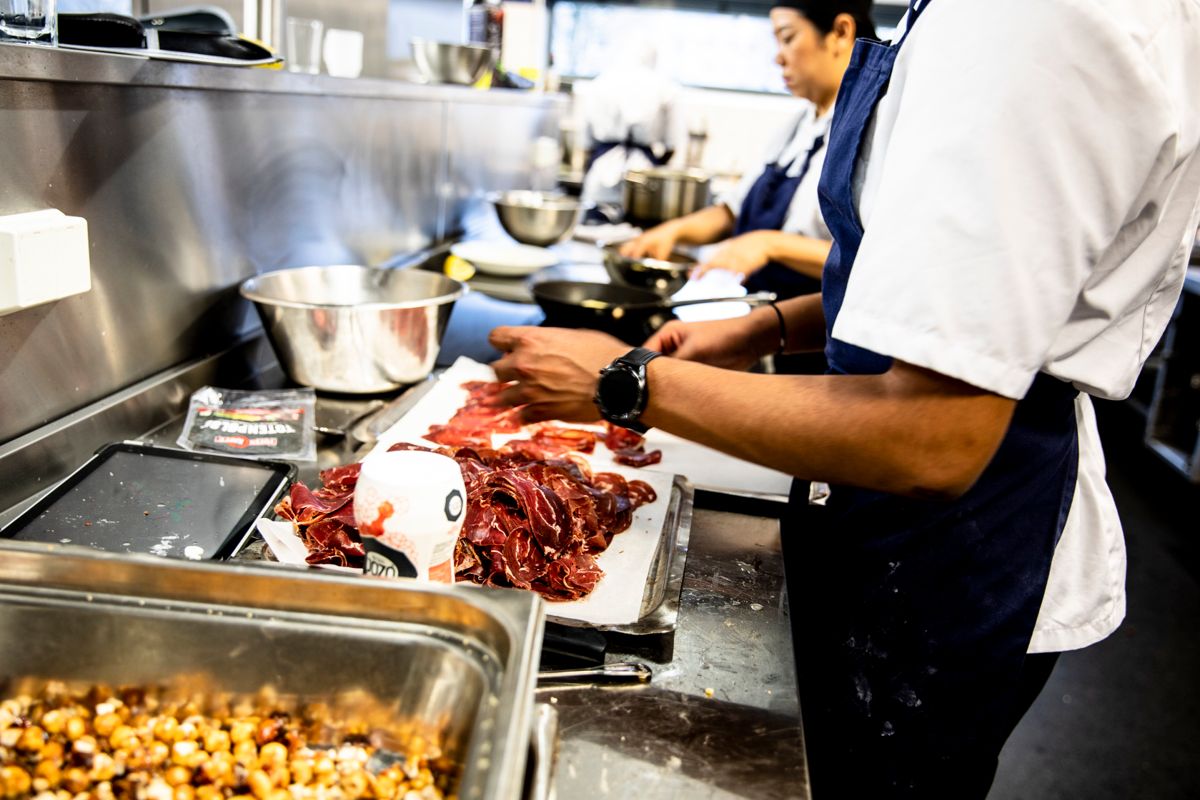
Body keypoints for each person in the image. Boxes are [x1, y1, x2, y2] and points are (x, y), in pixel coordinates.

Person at [486, 0, 1200, 795]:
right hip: (911, 513)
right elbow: (954, 288)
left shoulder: (1032, 21)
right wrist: (765, 329)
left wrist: (625, 384)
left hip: (959, 546)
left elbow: (932, 435)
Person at [620, 1, 875, 303]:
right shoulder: (797, 127)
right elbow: (731, 211)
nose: (778, 57)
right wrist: (671, 232)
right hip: (762, 315)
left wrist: (769, 244)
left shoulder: (870, 130)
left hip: (818, 330)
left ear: (841, 32)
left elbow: (870, 259)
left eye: (788, 37)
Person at [576, 37, 680, 211]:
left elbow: (585, 144)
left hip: (600, 173)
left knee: (593, 227)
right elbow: (672, 145)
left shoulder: (599, 84)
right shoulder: (666, 88)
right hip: (644, 177)